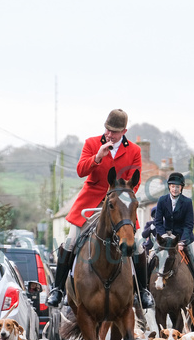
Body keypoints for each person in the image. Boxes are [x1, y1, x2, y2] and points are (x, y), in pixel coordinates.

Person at [47, 109, 154, 310]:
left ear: (124, 131)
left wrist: (120, 198)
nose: (109, 134)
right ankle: (58, 289)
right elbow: (81, 171)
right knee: (70, 241)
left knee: (138, 245)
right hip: (91, 203)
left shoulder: (134, 151)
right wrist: (97, 157)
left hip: (119, 206)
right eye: (107, 129)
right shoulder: (91, 143)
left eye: (114, 132)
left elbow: (134, 183)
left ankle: (144, 291)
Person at [154, 172, 194, 302]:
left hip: (182, 237)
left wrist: (182, 242)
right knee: (150, 256)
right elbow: (158, 222)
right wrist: (164, 236)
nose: (175, 189)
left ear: (181, 188)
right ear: (169, 187)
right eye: (173, 186)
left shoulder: (187, 202)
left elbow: (189, 224)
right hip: (165, 236)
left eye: (178, 186)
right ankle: (144, 289)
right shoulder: (162, 200)